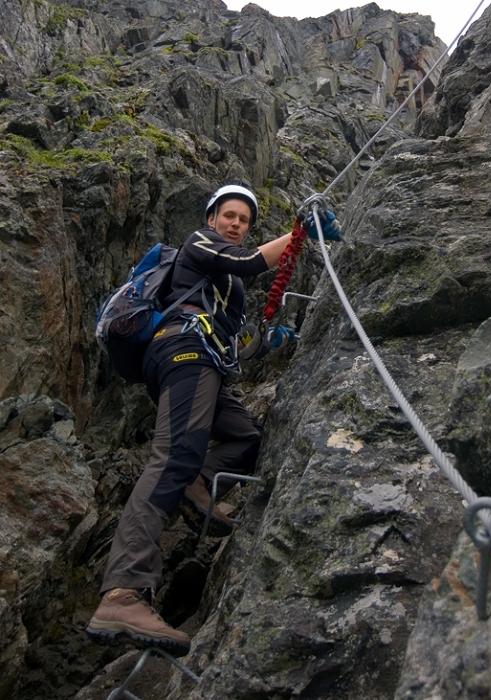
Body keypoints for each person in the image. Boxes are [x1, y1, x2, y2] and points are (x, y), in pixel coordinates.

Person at [86, 184, 311, 655]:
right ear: (212, 219)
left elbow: (232, 339)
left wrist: (267, 343)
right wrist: (300, 232)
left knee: (247, 437)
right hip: (182, 351)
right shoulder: (198, 242)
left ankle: (200, 482)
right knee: (172, 458)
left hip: (203, 360)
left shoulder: (224, 286)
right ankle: (123, 591)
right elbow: (251, 264)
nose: (236, 224)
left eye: (244, 220)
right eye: (229, 215)